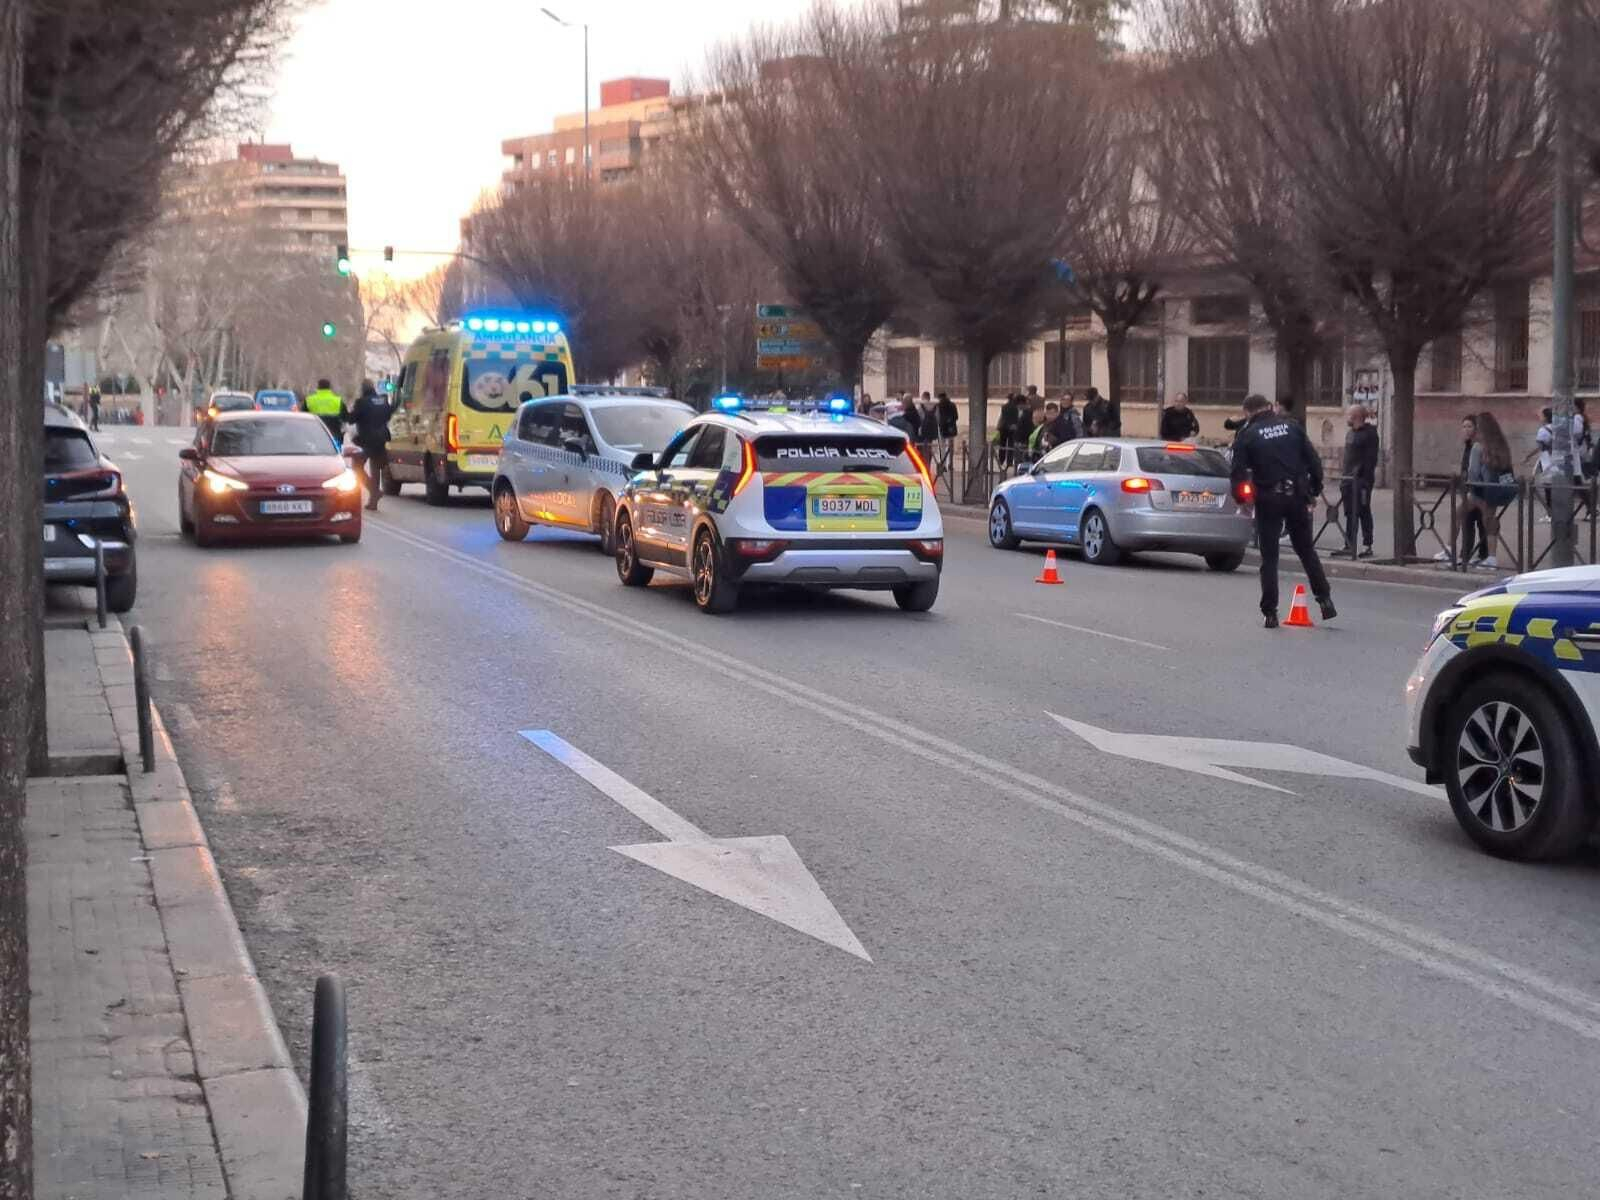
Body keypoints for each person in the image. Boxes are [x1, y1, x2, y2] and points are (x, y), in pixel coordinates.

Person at [1230, 393, 1335, 628]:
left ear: (1248, 412)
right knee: (1306, 550)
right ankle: (1325, 600)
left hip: (1268, 498)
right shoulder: (1292, 427)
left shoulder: (1247, 436)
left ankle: (1270, 613)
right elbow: (1313, 461)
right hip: (1297, 496)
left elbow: (1238, 473)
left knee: (1270, 557)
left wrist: (1241, 499)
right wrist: (1314, 489)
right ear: (1268, 407)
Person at [346, 379, 393, 511]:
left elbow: (351, 419)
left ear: (363, 389)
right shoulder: (383, 400)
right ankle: (373, 501)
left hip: (367, 440)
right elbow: (389, 414)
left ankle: (374, 491)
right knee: (375, 468)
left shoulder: (361, 402)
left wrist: (347, 412)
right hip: (382, 438)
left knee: (357, 467)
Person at [1340, 404, 1379, 559]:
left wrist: (1363, 479)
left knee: (1363, 511)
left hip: (1361, 481)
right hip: (1347, 480)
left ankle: (1367, 544)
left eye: (1349, 415)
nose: (1347, 418)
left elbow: (1371, 460)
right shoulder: (1350, 433)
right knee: (1350, 513)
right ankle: (1349, 544)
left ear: (1356, 416)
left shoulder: (1370, 434)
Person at [1450, 415, 1488, 567]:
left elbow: (1475, 469)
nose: (1466, 430)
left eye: (1469, 426)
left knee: (1479, 521)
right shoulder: (1468, 445)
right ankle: (1467, 554)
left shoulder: (1478, 445)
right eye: (1464, 426)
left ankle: (1479, 554)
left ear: (1476, 428)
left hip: (1479, 489)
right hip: (1471, 489)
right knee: (1470, 520)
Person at [305, 378, 344, 444]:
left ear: (318, 387)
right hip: (334, 437)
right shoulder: (338, 401)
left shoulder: (309, 400)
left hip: (313, 437)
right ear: (329, 388)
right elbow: (345, 419)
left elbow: (302, 416)